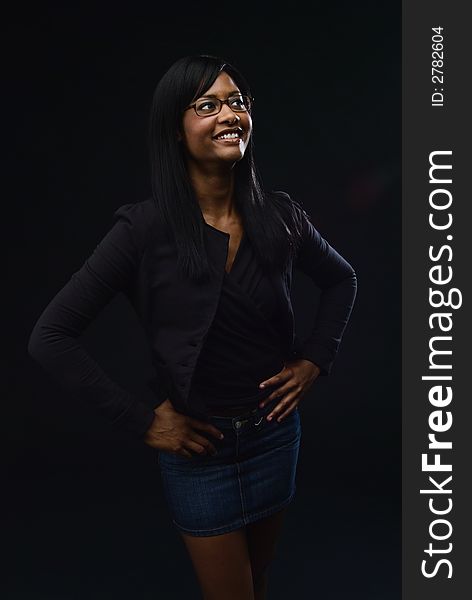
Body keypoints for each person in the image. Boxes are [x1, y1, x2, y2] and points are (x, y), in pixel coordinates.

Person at [28, 54, 358, 600]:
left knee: (258, 585)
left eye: (237, 102)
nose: (229, 114)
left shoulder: (281, 216)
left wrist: (314, 358)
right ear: (175, 131)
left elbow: (342, 279)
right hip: (196, 454)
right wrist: (141, 421)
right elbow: (50, 336)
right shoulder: (143, 230)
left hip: (275, 438)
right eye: (207, 105)